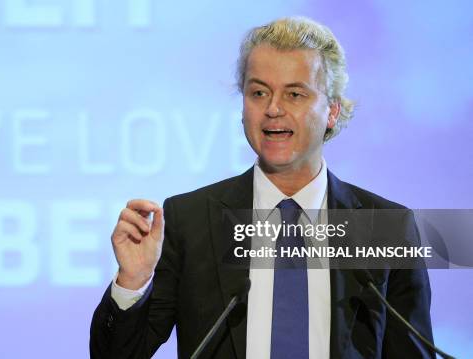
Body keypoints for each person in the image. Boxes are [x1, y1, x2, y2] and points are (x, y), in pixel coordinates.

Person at [90, 16, 434, 358]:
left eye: (295, 94)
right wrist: (131, 282)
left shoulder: (386, 228)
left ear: (331, 111)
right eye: (258, 92)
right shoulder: (190, 220)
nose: (273, 109)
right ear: (243, 107)